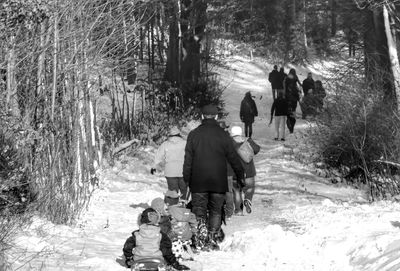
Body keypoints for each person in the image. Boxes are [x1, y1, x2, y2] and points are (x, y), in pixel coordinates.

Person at [183, 104, 244, 250]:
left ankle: (199, 238)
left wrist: (186, 179)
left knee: (199, 210)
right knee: (216, 210)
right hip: (218, 181)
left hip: (198, 181)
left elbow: (188, 160)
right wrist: (240, 175)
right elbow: (233, 158)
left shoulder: (193, 135)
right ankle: (212, 239)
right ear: (216, 117)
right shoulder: (223, 135)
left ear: (202, 116)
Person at [122, 208, 189, 270]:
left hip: (139, 260)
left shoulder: (137, 234)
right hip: (157, 261)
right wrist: (174, 263)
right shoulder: (161, 235)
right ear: (157, 220)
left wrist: (129, 258)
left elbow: (127, 247)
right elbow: (166, 251)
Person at [151, 194, 197, 261]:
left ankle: (177, 255)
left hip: (173, 237)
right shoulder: (184, 210)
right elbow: (193, 219)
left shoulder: (167, 215)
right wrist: (193, 230)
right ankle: (184, 253)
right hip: (186, 235)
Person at [229, 126, 260, 215]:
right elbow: (257, 149)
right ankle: (247, 199)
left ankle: (238, 210)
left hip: (235, 172)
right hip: (249, 172)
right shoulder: (247, 140)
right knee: (249, 188)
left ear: (232, 133)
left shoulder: (229, 142)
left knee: (237, 191)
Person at [151, 126, 187, 200]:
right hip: (183, 171)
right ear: (179, 134)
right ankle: (184, 207)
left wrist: (154, 166)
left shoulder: (165, 144)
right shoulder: (185, 143)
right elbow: (191, 155)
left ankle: (173, 208)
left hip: (170, 172)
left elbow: (158, 155)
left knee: (173, 193)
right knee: (184, 191)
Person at [284, 68, 302, 133]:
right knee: (293, 112)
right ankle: (291, 127)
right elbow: (299, 83)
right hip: (293, 98)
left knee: (288, 113)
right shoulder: (295, 78)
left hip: (288, 97)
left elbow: (285, 85)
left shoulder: (287, 77)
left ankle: (289, 125)